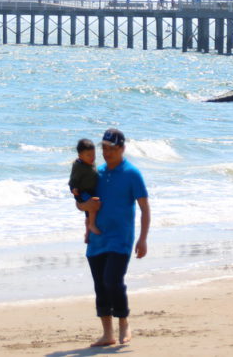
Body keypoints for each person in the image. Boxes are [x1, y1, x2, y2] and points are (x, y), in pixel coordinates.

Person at [77, 128, 150, 347]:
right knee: (100, 285)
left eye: (111, 149)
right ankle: (107, 333)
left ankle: (124, 322)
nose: (107, 153)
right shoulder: (96, 173)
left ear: (122, 149)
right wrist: (85, 214)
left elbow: (145, 208)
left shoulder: (132, 174)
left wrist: (143, 238)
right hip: (97, 239)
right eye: (104, 148)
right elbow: (83, 204)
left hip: (121, 239)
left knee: (112, 281)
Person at [69, 138, 101, 236]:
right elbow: (72, 180)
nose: (92, 157)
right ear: (80, 156)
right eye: (88, 155)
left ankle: (87, 233)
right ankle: (91, 225)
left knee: (88, 214)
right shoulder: (79, 166)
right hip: (82, 192)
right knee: (92, 206)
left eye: (93, 155)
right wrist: (73, 189)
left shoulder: (90, 162)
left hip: (90, 191)